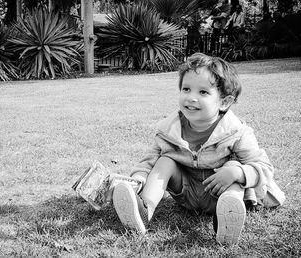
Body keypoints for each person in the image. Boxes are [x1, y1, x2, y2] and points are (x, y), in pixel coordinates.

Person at [112, 53, 286, 245]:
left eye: (203, 92)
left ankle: (226, 220)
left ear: (224, 102)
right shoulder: (169, 130)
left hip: (220, 193)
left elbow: (263, 167)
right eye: (186, 89)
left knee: (234, 165)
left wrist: (238, 172)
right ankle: (144, 209)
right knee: (165, 161)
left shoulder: (236, 133)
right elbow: (149, 161)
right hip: (185, 192)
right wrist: (138, 180)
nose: (191, 98)